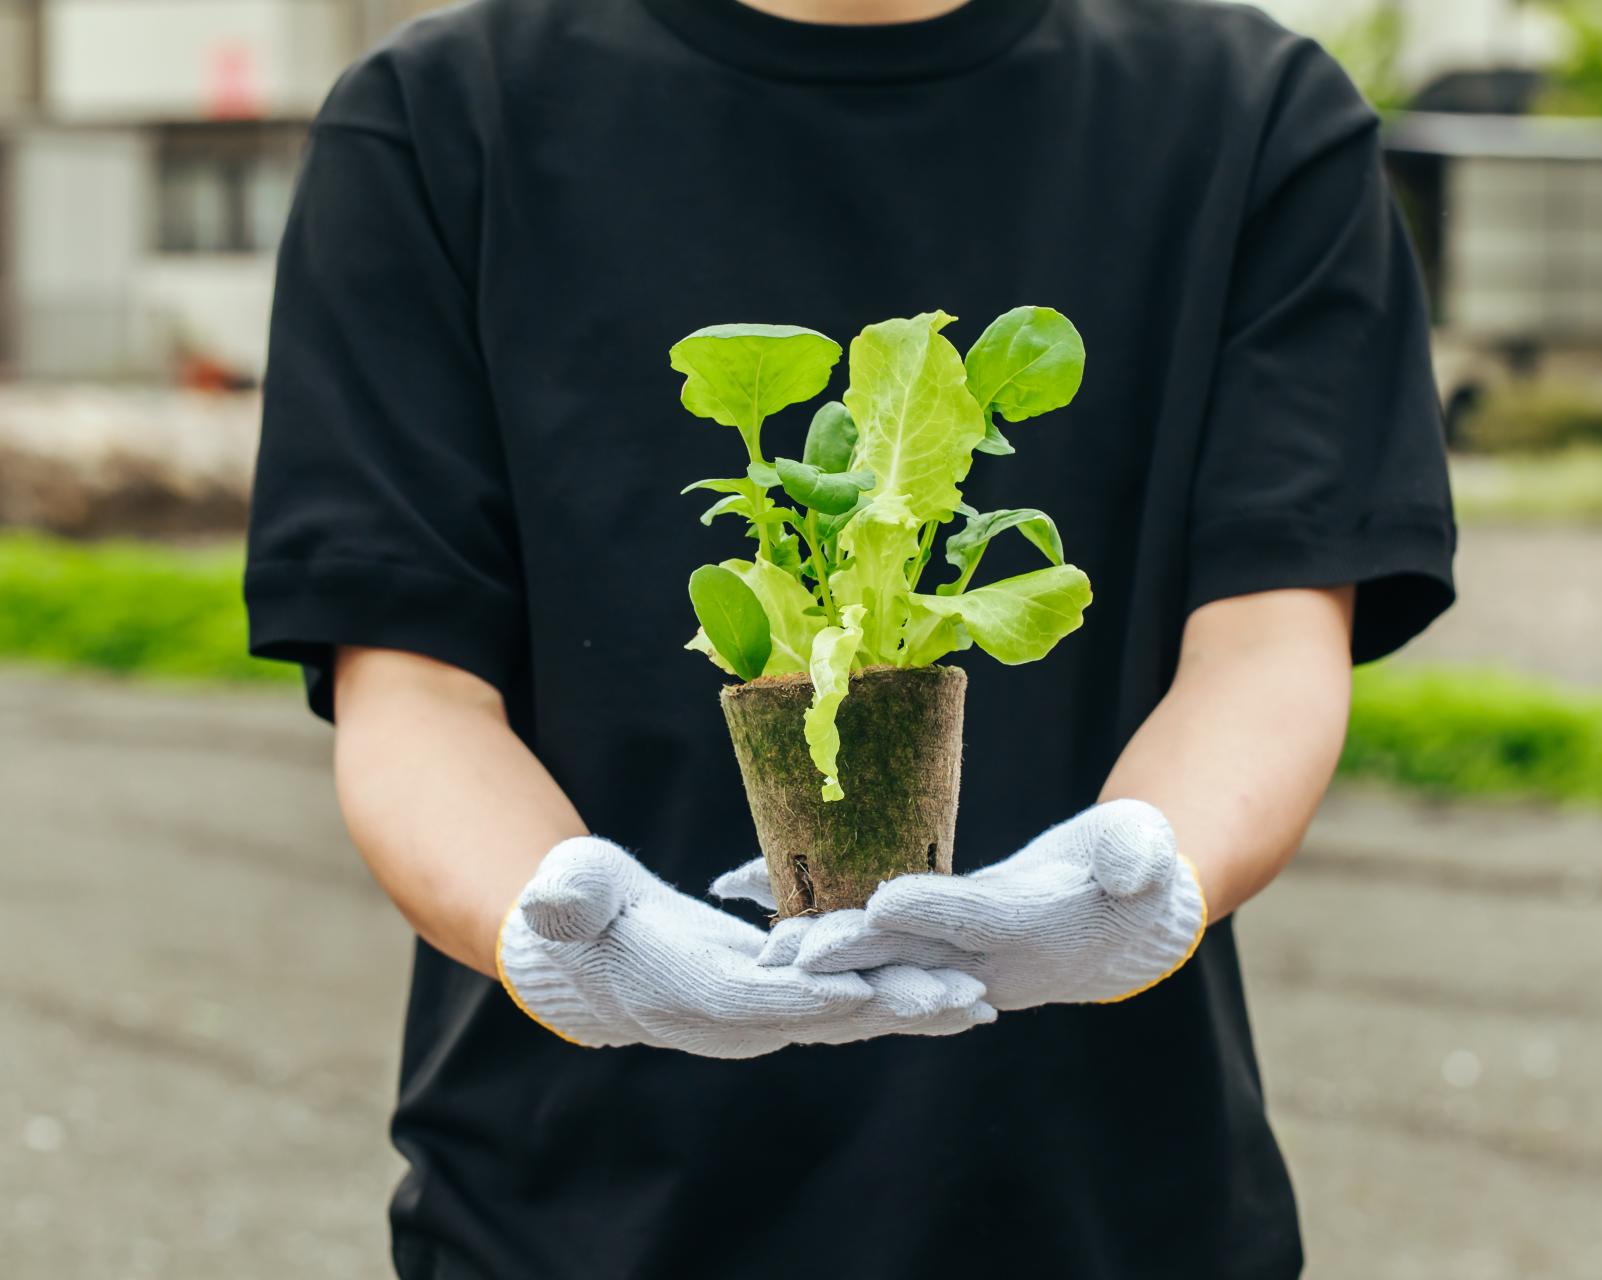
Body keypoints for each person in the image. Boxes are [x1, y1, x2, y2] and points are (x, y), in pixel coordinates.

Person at [243, 0, 1456, 1275]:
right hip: (572, 1218)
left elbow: (1267, 638)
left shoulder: (1256, 113)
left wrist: (1139, 879)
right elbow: (415, 690)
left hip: (1104, 1214)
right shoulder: (437, 119)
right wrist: (575, 938)